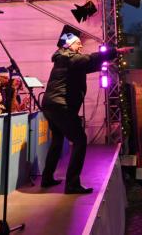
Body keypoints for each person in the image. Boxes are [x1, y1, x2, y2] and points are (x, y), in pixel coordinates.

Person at [41, 31, 110, 194]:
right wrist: (112, 52)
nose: (81, 45)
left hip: (51, 105)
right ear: (69, 45)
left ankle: (47, 177)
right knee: (80, 140)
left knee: (57, 140)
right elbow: (89, 59)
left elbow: (86, 66)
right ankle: (72, 184)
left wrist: (104, 62)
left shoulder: (64, 59)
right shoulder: (67, 56)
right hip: (60, 106)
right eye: (78, 43)